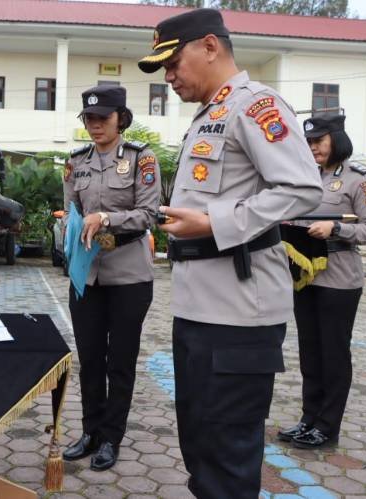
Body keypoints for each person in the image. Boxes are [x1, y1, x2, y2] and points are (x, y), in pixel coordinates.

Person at [138, 8, 323, 498]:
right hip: (199, 306)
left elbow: (303, 188)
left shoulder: (254, 105)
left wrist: (215, 222)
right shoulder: (210, 114)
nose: (170, 77)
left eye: (173, 63)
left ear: (210, 46)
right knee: (200, 444)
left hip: (241, 313)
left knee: (227, 454)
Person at [61, 85, 160, 471]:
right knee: (89, 358)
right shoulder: (75, 162)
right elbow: (71, 209)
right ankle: (90, 430)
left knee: (120, 361)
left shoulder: (141, 159)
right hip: (86, 276)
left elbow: (149, 214)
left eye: (103, 117)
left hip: (128, 276)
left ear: (121, 118)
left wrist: (107, 218)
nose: (95, 124)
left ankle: (111, 437)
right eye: (89, 118)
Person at [277, 114, 366, 449]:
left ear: (336, 140)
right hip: (306, 278)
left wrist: (336, 228)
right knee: (310, 354)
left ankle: (327, 425)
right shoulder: (306, 176)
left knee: (333, 355)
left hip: (339, 280)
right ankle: (308, 418)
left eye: (318, 141)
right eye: (309, 142)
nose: (312, 148)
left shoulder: (361, 179)